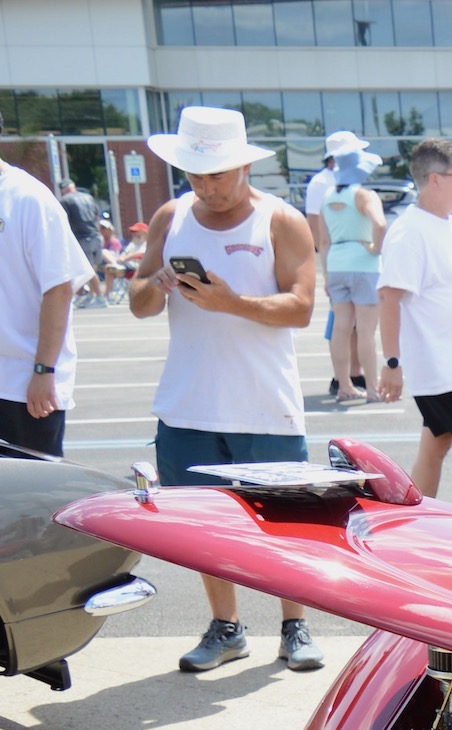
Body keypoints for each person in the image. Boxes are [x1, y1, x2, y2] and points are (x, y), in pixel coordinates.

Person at [129, 105, 324, 673]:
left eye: (217, 174)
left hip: (265, 405)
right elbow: (139, 302)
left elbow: (303, 307)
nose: (206, 186)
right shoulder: (170, 217)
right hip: (188, 404)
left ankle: (296, 626)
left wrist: (230, 303)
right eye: (195, 174)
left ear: (244, 167)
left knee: (285, 523)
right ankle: (226, 628)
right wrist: (160, 281)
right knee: (202, 530)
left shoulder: (281, 220)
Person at [376, 138, 452, 497]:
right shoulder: (409, 232)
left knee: (437, 443)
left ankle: (414, 514)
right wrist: (391, 363)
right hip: (442, 367)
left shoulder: (449, 223)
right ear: (435, 179)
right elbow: (389, 296)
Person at [0, 112, 95, 456]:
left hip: (23, 384)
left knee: (29, 501)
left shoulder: (28, 198)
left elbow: (58, 287)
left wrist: (44, 369)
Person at [306, 130, 378, 398]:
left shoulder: (325, 187)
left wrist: (327, 268)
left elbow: (321, 235)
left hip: (335, 260)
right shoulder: (332, 185)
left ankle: (348, 381)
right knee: (360, 328)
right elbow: (315, 228)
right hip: (358, 261)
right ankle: (355, 382)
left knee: (344, 326)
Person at [320, 149, 385, 401]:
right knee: (366, 331)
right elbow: (379, 224)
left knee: (340, 328)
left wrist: (326, 274)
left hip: (336, 263)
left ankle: (344, 385)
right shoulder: (364, 195)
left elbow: (323, 240)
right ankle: (372, 388)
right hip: (364, 264)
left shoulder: (326, 198)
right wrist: (375, 248)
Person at [58, 180, 108, 306]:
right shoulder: (88, 197)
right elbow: (97, 217)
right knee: (93, 268)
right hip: (96, 236)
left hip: (81, 237)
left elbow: (63, 221)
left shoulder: (65, 201)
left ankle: (100, 297)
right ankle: (91, 295)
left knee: (88, 270)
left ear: (63, 190)